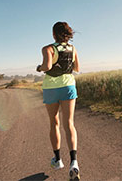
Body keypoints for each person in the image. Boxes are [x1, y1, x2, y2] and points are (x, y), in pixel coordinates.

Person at [37, 22, 80, 181]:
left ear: (54, 34)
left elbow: (47, 67)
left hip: (51, 88)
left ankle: (58, 160)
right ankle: (74, 162)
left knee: (54, 122)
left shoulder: (47, 48)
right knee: (69, 123)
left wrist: (39, 68)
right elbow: (76, 68)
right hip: (68, 86)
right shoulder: (73, 49)